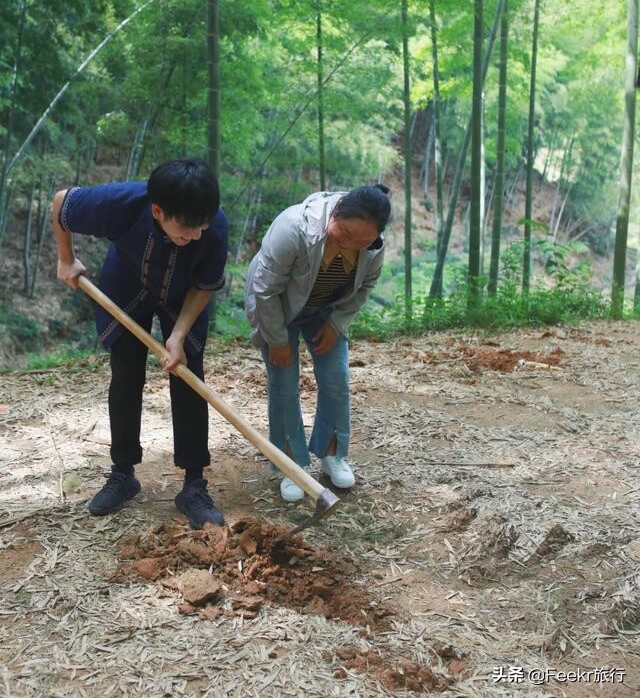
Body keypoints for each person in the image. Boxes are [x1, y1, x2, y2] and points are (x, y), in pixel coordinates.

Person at [51, 157, 228, 528]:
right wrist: (66, 259)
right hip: (127, 288)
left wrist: (178, 335)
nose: (196, 235)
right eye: (186, 228)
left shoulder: (213, 227)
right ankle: (123, 473)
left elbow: (205, 285)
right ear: (158, 211)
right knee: (126, 375)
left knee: (188, 377)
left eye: (202, 227)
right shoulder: (122, 203)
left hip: (184, 295)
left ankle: (193, 485)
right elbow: (61, 202)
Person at [245, 184, 390, 502]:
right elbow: (264, 289)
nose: (350, 244)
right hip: (277, 308)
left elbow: (366, 285)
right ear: (336, 212)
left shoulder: (373, 245)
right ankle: (291, 465)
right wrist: (277, 340)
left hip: (326, 310)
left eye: (362, 242)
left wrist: (337, 324)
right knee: (284, 384)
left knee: (337, 378)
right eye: (345, 233)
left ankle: (332, 452)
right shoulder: (293, 227)